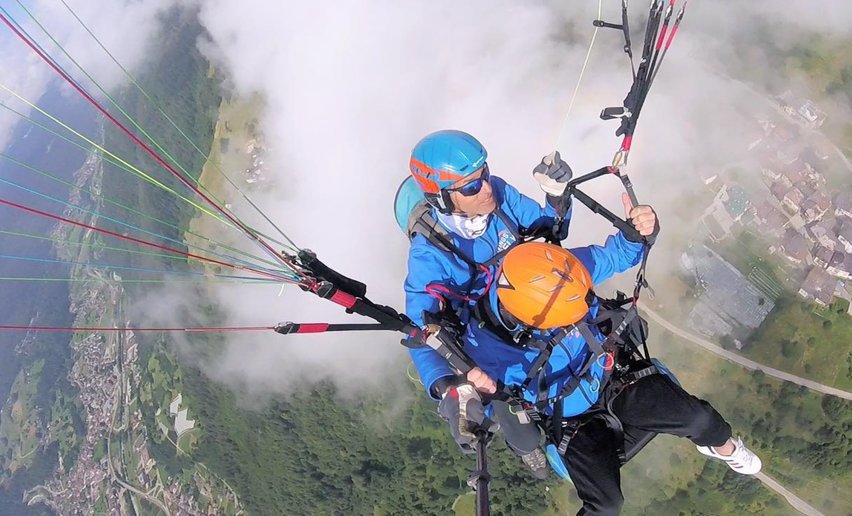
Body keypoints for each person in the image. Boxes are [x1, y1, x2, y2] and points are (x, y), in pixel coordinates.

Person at [428, 200, 762, 515]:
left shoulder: (555, 271)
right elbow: (486, 400)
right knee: (605, 506)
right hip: (570, 421)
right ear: (532, 318)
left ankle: (723, 448)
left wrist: (638, 232)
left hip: (615, 379)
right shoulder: (481, 348)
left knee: (701, 420)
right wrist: (467, 398)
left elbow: (615, 256)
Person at [399, 129, 574, 474]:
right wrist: (446, 385)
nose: (487, 189)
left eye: (485, 175)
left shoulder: (501, 199)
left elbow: (550, 234)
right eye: (471, 186)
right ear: (444, 199)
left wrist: (558, 199)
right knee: (518, 423)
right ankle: (528, 450)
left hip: (523, 303)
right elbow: (421, 329)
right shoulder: (430, 254)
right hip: (485, 341)